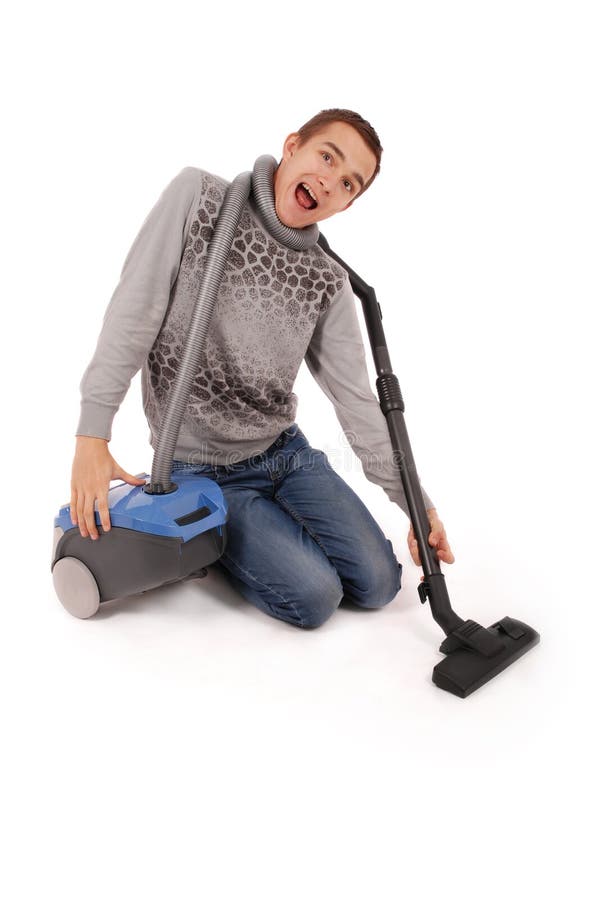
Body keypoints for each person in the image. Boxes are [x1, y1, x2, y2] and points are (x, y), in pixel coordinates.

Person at [70, 107, 455, 628]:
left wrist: (417, 505)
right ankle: (210, 544)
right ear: (292, 145)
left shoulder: (329, 280)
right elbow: (133, 314)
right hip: (199, 466)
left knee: (380, 583)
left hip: (284, 455)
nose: (328, 180)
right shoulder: (199, 199)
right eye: (326, 156)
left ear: (347, 202)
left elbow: (358, 401)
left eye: (347, 183)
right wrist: (93, 436)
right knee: (315, 599)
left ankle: (253, 534)